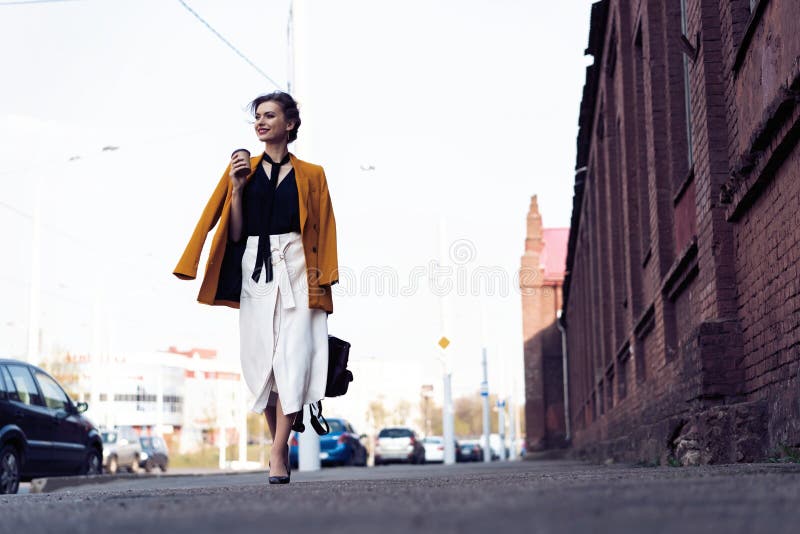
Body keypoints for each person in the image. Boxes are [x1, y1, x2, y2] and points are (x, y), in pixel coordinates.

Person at [173, 91, 339, 485]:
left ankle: (278, 451)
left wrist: (325, 281)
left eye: (270, 116)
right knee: (260, 362)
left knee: (293, 361)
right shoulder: (242, 167)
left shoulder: (312, 174)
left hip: (299, 266)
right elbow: (233, 233)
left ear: (290, 124)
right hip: (255, 267)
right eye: (258, 117)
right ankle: (277, 442)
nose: (261, 123)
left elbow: (326, 228)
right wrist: (235, 186)